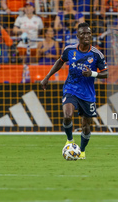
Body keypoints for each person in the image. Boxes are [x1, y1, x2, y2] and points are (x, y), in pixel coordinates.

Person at [40, 22, 108, 159]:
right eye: (83, 33)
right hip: (71, 88)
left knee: (86, 126)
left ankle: (81, 151)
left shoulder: (97, 54)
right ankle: (70, 140)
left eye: (88, 33)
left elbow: (105, 73)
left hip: (88, 94)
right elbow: (60, 62)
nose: (86, 36)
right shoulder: (69, 50)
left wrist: (93, 74)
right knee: (67, 116)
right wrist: (47, 77)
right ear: (78, 36)